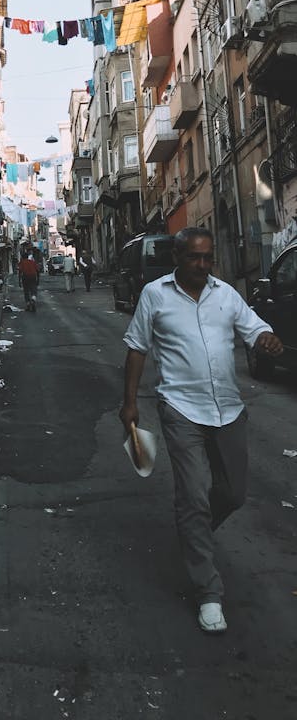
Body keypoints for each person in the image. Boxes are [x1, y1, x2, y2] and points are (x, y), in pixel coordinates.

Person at [119, 227, 283, 634]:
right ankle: (209, 592)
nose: (203, 265)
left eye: (209, 257)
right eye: (195, 257)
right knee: (193, 496)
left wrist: (266, 339)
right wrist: (130, 403)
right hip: (181, 408)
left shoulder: (225, 294)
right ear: (178, 257)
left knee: (233, 493)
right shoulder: (155, 295)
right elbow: (137, 348)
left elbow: (254, 326)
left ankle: (196, 534)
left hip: (227, 409)